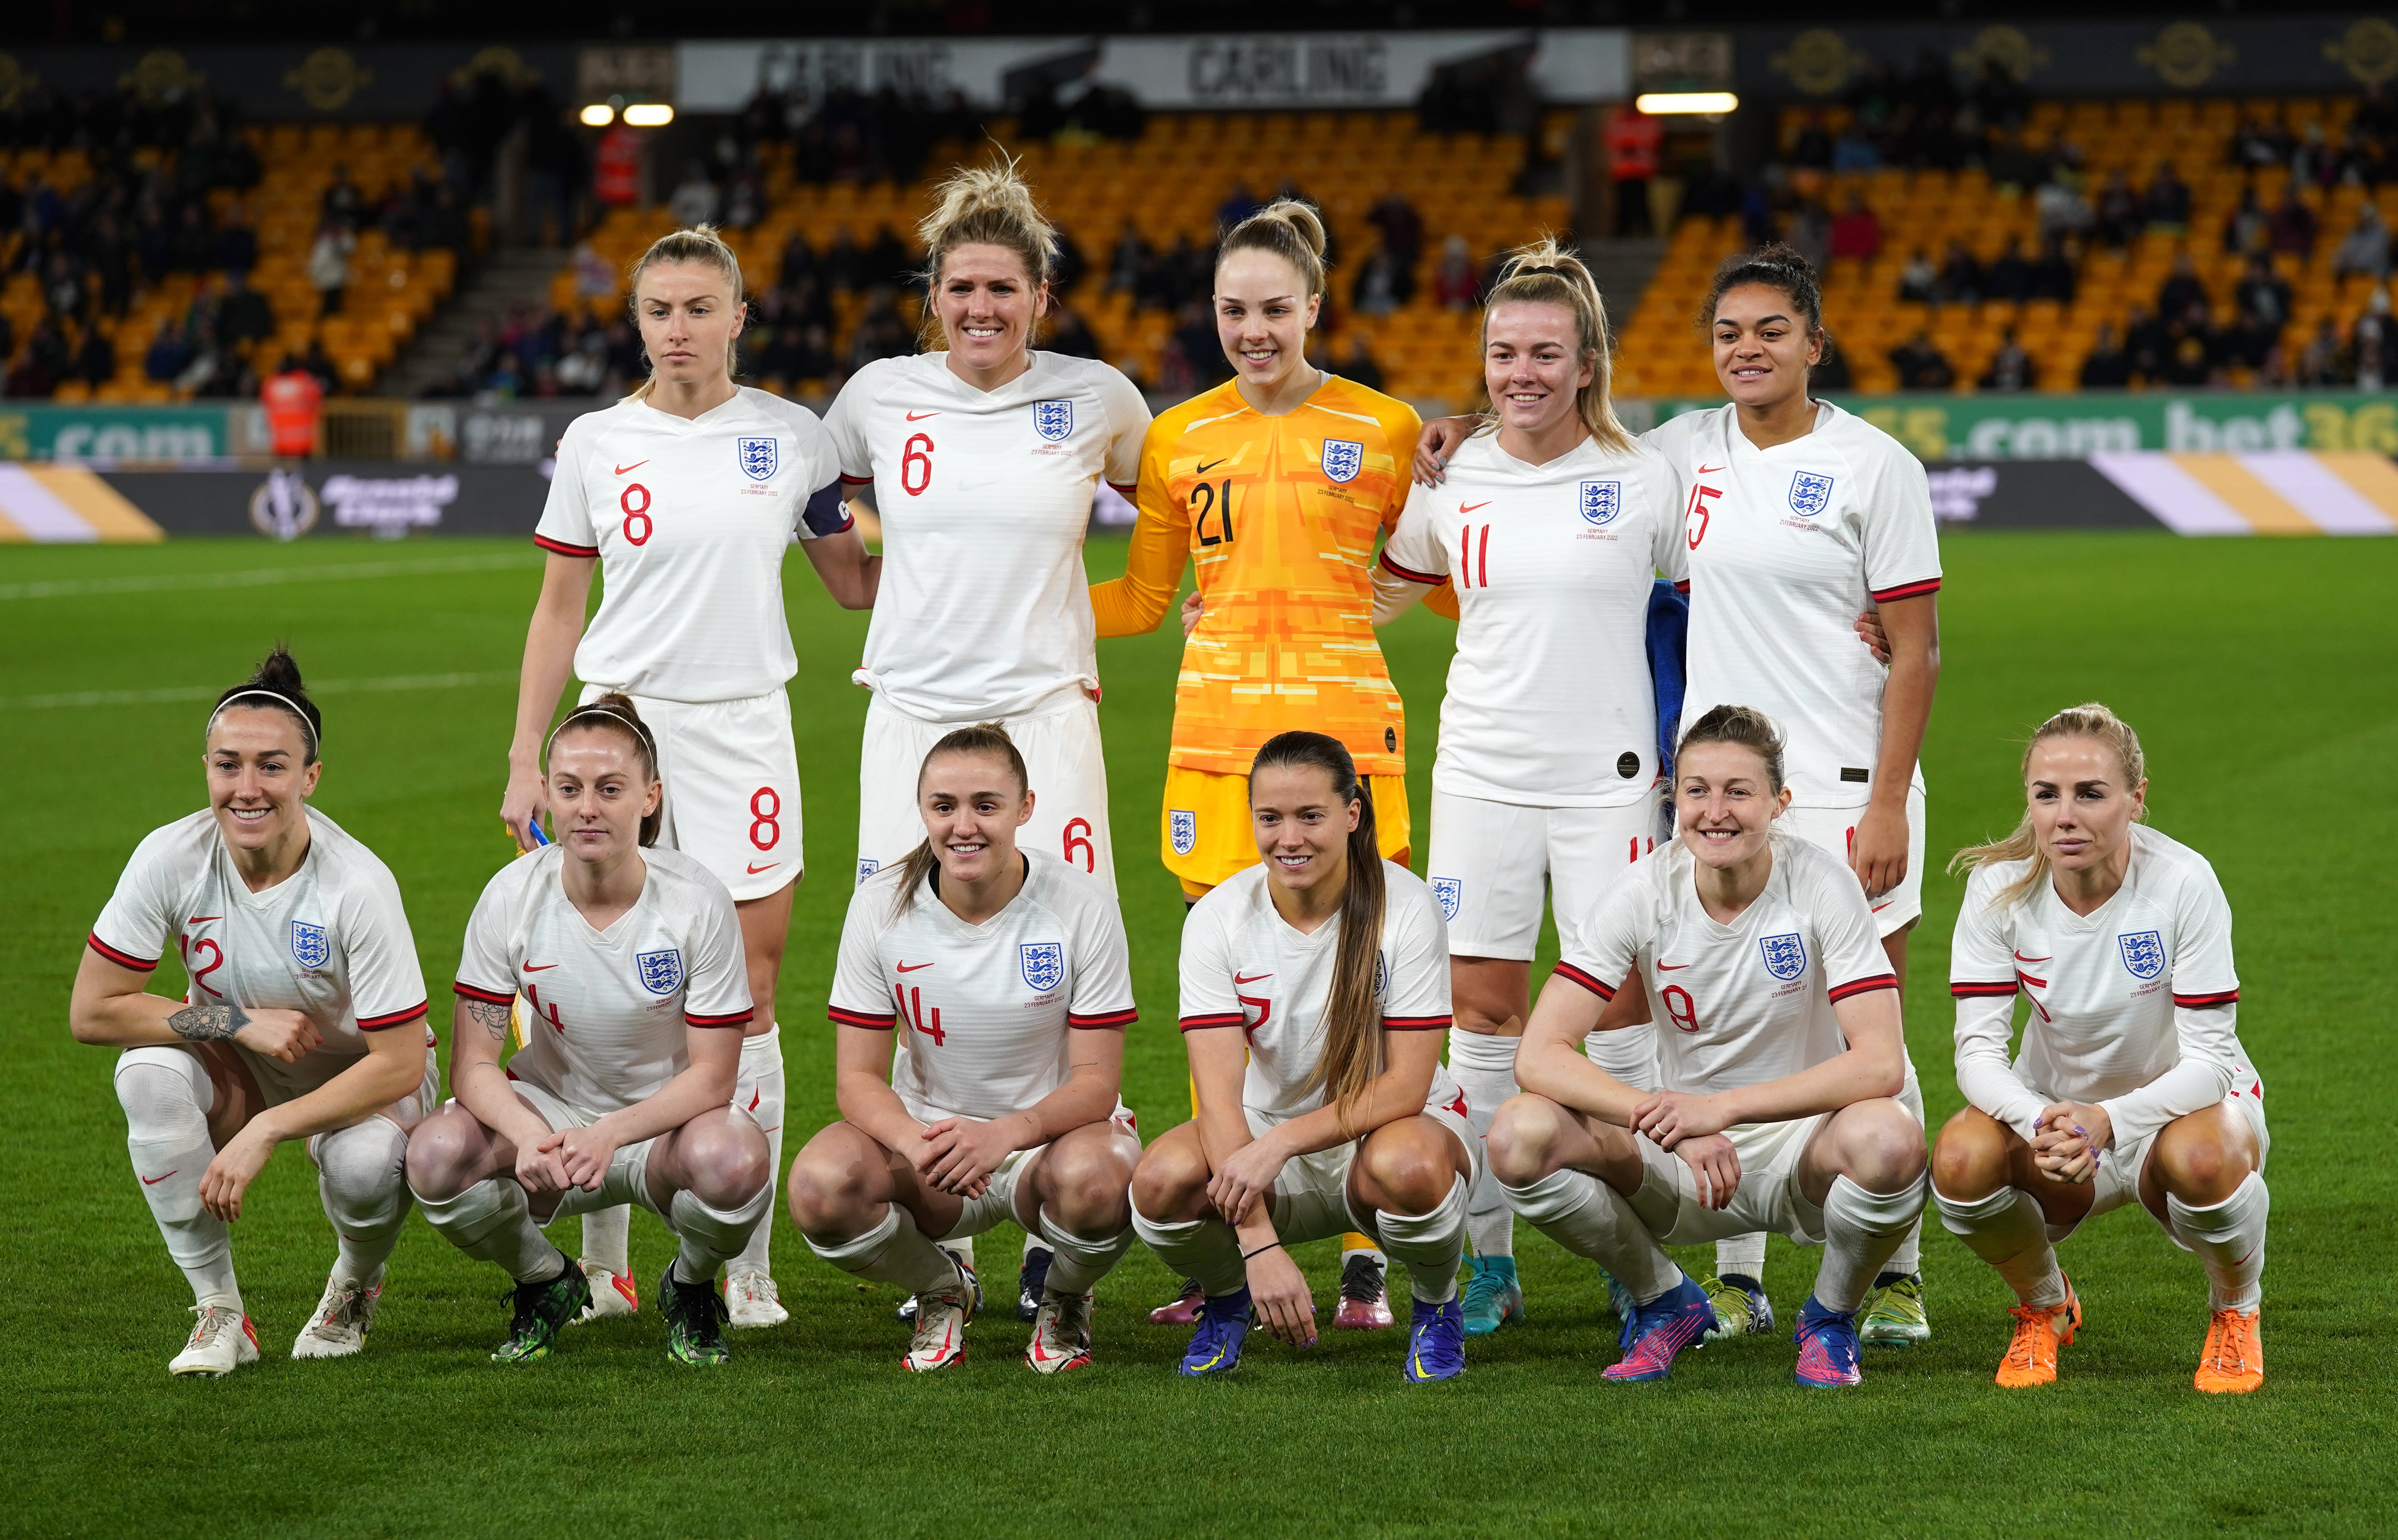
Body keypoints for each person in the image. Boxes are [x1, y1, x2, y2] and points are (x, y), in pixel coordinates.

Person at [1413, 240, 1939, 1346]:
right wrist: (1448, 431)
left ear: (1814, 341)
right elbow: (1547, 464)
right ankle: (1661, 1268)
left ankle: (1890, 1269)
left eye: (1769, 330)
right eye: (1728, 332)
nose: (1746, 349)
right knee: (1713, 1007)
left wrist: (1887, 797)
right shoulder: (1677, 452)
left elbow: (1916, 646)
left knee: (1849, 1015)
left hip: (1839, 779)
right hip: (1703, 781)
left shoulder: (1865, 464)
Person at [504, 224, 871, 1332]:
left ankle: (740, 1261)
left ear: (738, 318)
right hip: (619, 728)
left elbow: (854, 582)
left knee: (750, 991)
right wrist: (528, 753)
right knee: (597, 988)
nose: (679, 329)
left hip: (746, 731)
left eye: (699, 308)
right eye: (659, 310)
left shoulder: (792, 437)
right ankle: (608, 1258)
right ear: (638, 322)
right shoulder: (595, 442)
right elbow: (560, 606)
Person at [822, 160, 1150, 1315]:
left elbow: (1185, 482)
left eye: (1002, 289)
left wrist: (1158, 600)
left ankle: (1063, 1212)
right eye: (961, 287)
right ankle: (940, 1219)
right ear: (934, 292)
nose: (980, 308)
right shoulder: (878, 392)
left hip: (1043, 713)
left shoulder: (1096, 396)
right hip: (909, 711)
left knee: (1060, 952)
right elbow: (817, 490)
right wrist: (854, 584)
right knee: (908, 952)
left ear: (1039, 294)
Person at [1088, 199, 1424, 1328]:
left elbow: (1454, 561)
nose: (1253, 329)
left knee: (1362, 987)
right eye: (1234, 310)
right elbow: (1139, 600)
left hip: (1349, 740)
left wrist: (1430, 586)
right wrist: (977, 607)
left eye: (1274, 309)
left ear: (1314, 309)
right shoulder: (1178, 435)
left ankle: (1369, 1253)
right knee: (1219, 995)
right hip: (1216, 743)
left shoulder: (1387, 428)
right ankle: (1226, 1256)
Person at [1370, 240, 1682, 1338]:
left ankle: (1632, 1243)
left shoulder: (1649, 476)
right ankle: (1492, 1252)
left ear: (1587, 361)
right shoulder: (1452, 479)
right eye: (1504, 353)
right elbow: (1378, 600)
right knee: (1486, 1011)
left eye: (1545, 353)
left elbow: (1704, 602)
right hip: (1482, 776)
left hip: (1608, 782)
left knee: (1619, 1007)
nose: (1522, 373)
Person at [1487, 707, 1928, 1388]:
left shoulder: (1821, 883)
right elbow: (1539, 1055)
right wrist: (1664, 1118)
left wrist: (1719, 1110)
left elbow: (1880, 1061)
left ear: (1781, 803)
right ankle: (1663, 1299)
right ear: (1674, 799)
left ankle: (1830, 1318)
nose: (1714, 812)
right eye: (1697, 790)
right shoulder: (1641, 891)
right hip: (1680, 1161)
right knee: (1518, 1135)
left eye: (1738, 792)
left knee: (1892, 1139)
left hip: (1800, 1152)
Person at [70, 648, 435, 1376]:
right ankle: (221, 1313)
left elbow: (398, 1063)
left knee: (364, 1165)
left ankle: (355, 1285)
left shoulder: (357, 884)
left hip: (359, 1079)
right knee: (147, 1075)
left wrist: (271, 1128)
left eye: (271, 766)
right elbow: (94, 1011)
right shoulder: (170, 857)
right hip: (242, 1064)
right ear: (205, 768)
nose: (247, 789)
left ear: (311, 777)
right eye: (227, 764)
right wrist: (233, 1022)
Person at [412, 698, 771, 1367]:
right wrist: (526, 1134)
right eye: (570, 789)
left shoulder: (698, 901)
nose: (588, 808)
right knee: (434, 1156)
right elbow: (476, 1066)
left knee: (738, 1163)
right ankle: (546, 1280)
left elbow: (715, 1076)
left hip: (669, 1126)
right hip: (552, 1113)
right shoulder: (510, 897)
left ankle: (689, 1287)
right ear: (548, 794)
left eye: (610, 790)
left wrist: (610, 1133)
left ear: (649, 797)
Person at [1935, 705, 2268, 1393]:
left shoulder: (2183, 882)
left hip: (2181, 1111)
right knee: (1961, 1160)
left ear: (2136, 799)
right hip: (2056, 1124)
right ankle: (2045, 1306)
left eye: (2090, 793)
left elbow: (2210, 1061)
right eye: (2046, 795)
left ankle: (2236, 1311)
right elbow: (1977, 1054)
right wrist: (2040, 1121)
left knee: (2205, 1158)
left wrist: (2108, 1121)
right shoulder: (1997, 890)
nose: (2064, 816)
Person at [788, 726, 1142, 1372]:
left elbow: (1097, 1081)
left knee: (1106, 1180)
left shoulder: (1083, 904)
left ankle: (1065, 1296)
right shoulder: (878, 906)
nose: (963, 826)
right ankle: (941, 1288)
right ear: (922, 809)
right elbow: (857, 1080)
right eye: (943, 806)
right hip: (935, 1153)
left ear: (1026, 807)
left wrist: (1004, 1134)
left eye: (987, 804)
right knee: (820, 1187)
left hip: (1052, 1147)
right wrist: (915, 1140)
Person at [1129, 733, 1476, 1381]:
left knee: (1411, 1165)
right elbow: (1221, 1100)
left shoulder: (1406, 906)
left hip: (1391, 1130)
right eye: (1271, 818)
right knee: (1158, 1184)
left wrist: (1280, 1143)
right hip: (1264, 1137)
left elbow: (1405, 1086)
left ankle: (1437, 1307)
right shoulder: (1217, 918)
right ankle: (1230, 1304)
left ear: (1353, 814)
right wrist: (1258, 1245)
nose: (1289, 838)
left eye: (1310, 816)